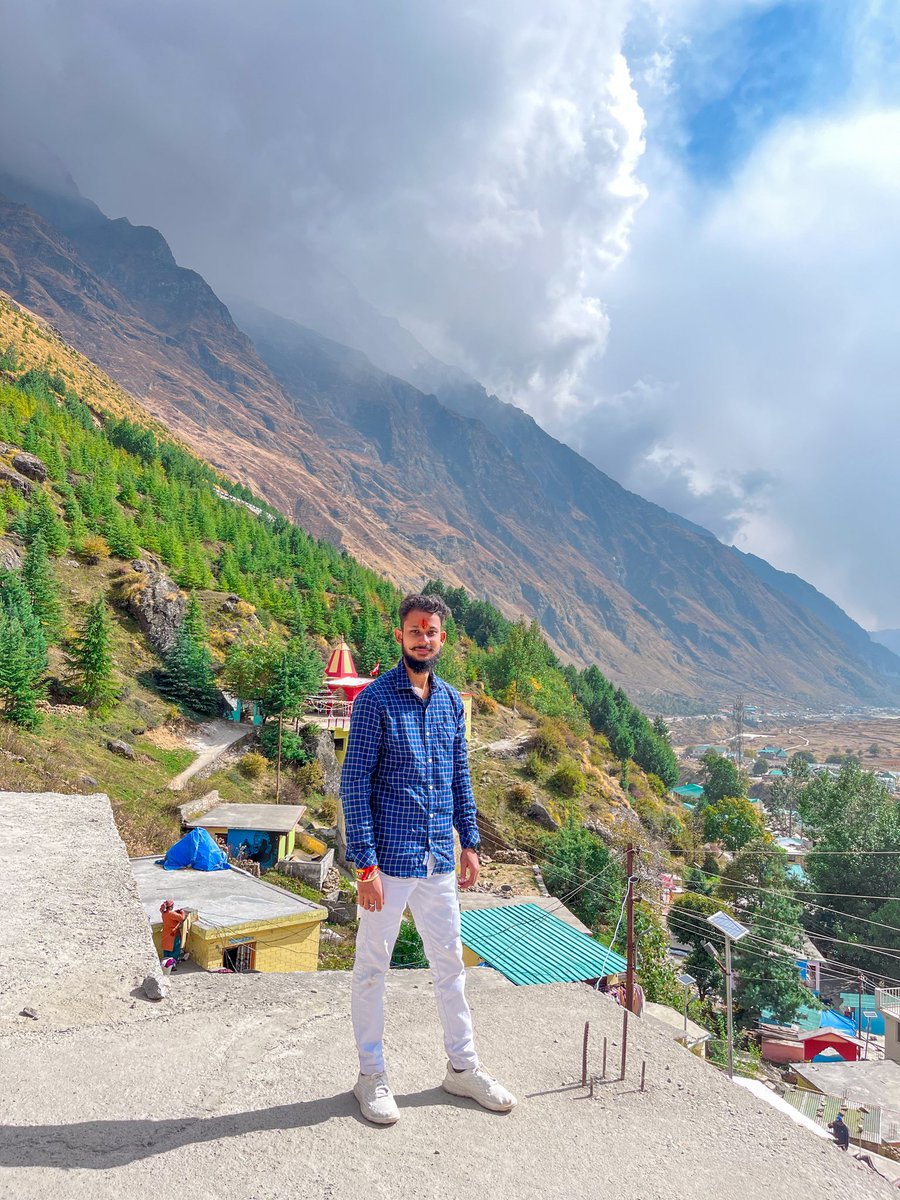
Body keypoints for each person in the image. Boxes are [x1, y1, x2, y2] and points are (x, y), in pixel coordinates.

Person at [341, 592, 517, 1125]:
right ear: (400, 636)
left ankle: (461, 1069)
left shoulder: (448, 702)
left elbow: (460, 776)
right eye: (415, 630)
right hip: (388, 865)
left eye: (432, 631)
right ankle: (370, 1076)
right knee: (373, 969)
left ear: (443, 639)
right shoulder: (373, 702)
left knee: (450, 968)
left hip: (440, 858)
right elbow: (354, 787)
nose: (423, 638)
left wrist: (471, 841)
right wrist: (365, 867)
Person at [159, 899, 187, 969]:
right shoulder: (171, 914)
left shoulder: (164, 913)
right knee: (175, 949)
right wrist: (182, 912)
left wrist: (175, 912)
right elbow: (182, 918)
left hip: (166, 933)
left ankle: (165, 965)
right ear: (171, 906)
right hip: (173, 934)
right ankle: (172, 965)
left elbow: (172, 915)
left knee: (167, 950)